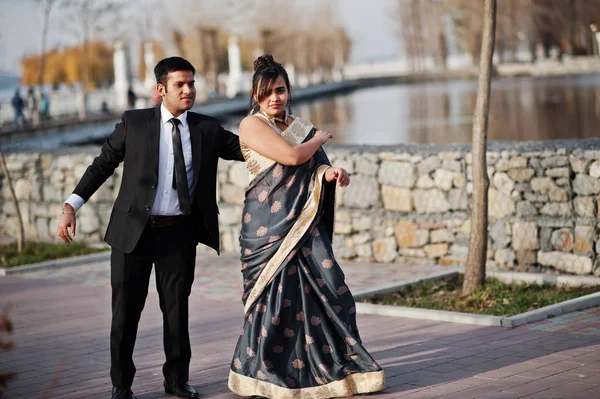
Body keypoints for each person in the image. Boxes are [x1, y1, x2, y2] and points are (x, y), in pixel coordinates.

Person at [56, 56, 245, 399]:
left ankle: (176, 379)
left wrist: (294, 139)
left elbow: (248, 147)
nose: (188, 90)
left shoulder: (206, 129)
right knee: (126, 312)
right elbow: (103, 164)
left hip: (179, 235)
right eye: (180, 84)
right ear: (161, 90)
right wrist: (72, 205)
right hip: (134, 234)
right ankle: (121, 385)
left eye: (191, 83)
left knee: (176, 310)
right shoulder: (135, 122)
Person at [227, 55, 386, 399]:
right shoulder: (251, 125)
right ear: (256, 95)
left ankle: (333, 366)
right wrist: (320, 137)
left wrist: (331, 173)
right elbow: (292, 157)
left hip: (303, 223)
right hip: (266, 229)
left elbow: (315, 167)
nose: (275, 98)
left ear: (289, 91)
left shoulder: (297, 125)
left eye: (281, 90)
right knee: (276, 300)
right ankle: (264, 373)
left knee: (332, 287)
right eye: (267, 92)